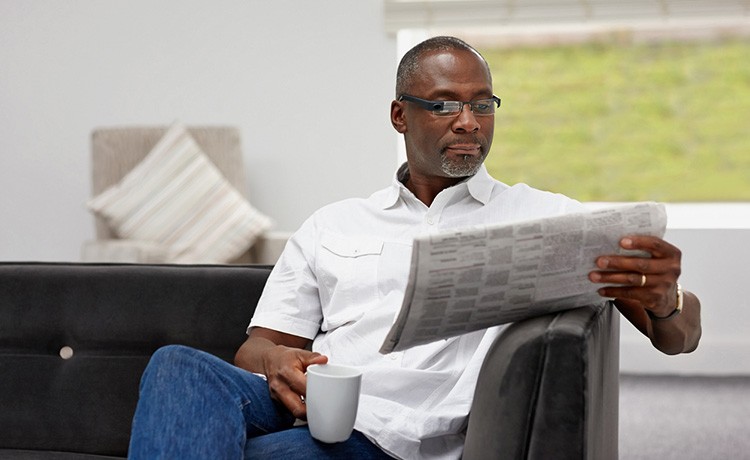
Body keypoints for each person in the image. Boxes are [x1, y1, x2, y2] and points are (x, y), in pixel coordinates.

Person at [127, 36, 702, 459]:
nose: (469, 122)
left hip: (391, 438)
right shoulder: (334, 225)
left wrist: (665, 298)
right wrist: (278, 362)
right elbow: (257, 350)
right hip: (317, 403)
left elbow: (678, 339)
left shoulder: (545, 218)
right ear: (401, 115)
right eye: (446, 103)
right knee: (177, 365)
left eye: (482, 104)